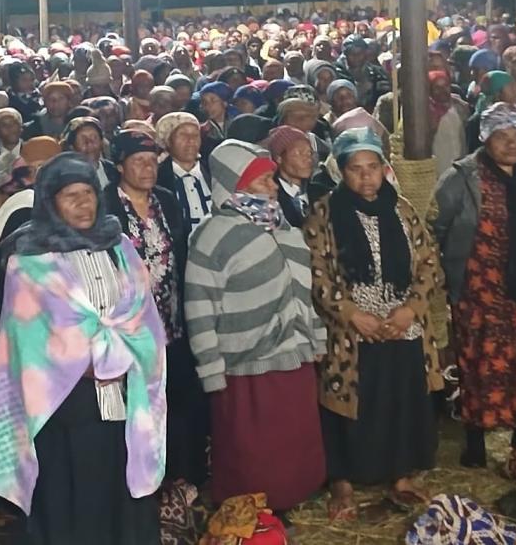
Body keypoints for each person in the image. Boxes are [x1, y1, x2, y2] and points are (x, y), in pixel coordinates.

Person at [0, 153, 165, 544]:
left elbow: (143, 314)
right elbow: (25, 341)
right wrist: (89, 365)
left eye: (88, 193)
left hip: (123, 395)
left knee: (123, 488)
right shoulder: (29, 261)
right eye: (71, 196)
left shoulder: (119, 247)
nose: (84, 204)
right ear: (50, 201)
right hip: (66, 402)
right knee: (75, 498)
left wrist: (127, 357)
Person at [303, 127, 442, 520]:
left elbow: (429, 262)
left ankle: (401, 477)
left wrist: (410, 309)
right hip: (352, 329)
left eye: (373, 168)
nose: (366, 177)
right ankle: (343, 481)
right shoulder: (324, 213)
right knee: (350, 403)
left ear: (384, 169)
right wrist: (352, 315)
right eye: (355, 169)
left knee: (402, 397)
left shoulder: (402, 210)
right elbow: (316, 274)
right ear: (341, 172)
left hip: (402, 323)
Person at [184, 140, 325, 512]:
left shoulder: (283, 228)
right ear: (236, 187)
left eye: (271, 179)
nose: (274, 187)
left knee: (291, 439)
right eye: (263, 181)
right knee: (252, 448)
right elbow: (200, 306)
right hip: (246, 365)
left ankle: (289, 501)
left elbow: (303, 289)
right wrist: (211, 369)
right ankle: (253, 512)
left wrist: (316, 336)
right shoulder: (213, 236)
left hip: (293, 355)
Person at [433, 103, 516, 472]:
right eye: (501, 137)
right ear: (485, 139)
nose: (511, 144)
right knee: (480, 365)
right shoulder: (462, 177)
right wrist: (444, 279)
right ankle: (475, 439)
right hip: (482, 291)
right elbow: (436, 227)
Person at [103, 130, 205, 488]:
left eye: (152, 161)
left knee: (176, 403)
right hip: (129, 330)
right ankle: (142, 482)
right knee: (137, 408)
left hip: (172, 325)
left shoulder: (166, 200)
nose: (147, 169)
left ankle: (180, 477)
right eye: (137, 162)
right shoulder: (107, 208)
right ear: (119, 166)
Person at [154, 113, 211, 225]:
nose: (191, 141)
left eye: (195, 135)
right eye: (183, 135)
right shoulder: (158, 179)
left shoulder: (214, 172)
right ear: (168, 140)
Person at [266, 125, 327, 227]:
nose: (308, 159)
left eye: (309, 153)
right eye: (298, 154)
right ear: (279, 158)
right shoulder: (270, 196)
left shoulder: (323, 193)